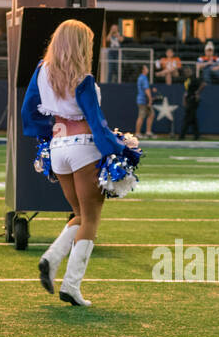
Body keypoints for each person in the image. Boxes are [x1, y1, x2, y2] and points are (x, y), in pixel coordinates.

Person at [22, 19, 140, 307]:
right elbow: (96, 123)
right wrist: (120, 149)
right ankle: (71, 285)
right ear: (79, 45)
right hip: (83, 148)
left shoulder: (41, 72)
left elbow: (29, 111)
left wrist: (46, 134)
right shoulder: (83, 79)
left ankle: (51, 258)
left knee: (78, 213)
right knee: (91, 219)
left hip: (57, 148)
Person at [178, 71, 203, 140]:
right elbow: (187, 91)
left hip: (193, 100)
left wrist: (197, 92)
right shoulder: (187, 80)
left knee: (187, 118)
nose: (186, 73)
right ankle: (197, 136)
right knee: (193, 119)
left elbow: (203, 84)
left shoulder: (194, 79)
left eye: (188, 71)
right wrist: (184, 99)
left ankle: (182, 136)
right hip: (189, 99)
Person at [134, 64, 154, 138]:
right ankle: (137, 133)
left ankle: (148, 132)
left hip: (142, 99)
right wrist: (150, 99)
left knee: (151, 114)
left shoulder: (141, 78)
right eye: (146, 68)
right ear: (143, 70)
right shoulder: (143, 78)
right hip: (143, 100)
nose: (147, 69)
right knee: (141, 116)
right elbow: (146, 89)